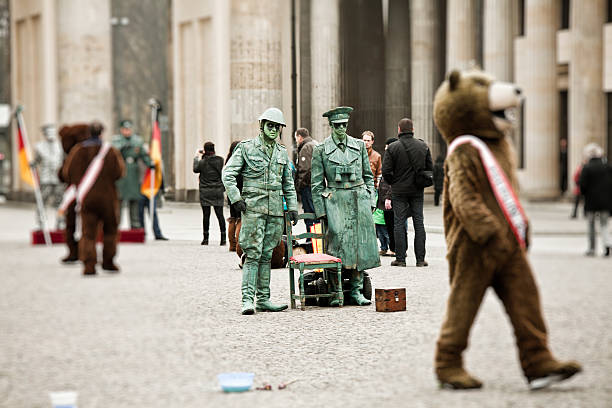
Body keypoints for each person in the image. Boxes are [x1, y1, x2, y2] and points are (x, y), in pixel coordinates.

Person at [222, 107, 298, 315]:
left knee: (267, 254)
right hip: (253, 208)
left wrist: (292, 207)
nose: (273, 130)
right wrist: (236, 198)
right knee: (252, 253)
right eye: (270, 125)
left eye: (277, 127)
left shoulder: (282, 152)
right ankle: (247, 299)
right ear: (261, 126)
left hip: (274, 210)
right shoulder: (247, 148)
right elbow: (228, 173)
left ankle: (263, 299)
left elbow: (288, 184)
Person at [311, 106, 379, 307]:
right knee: (335, 246)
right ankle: (335, 291)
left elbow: (368, 176)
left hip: (358, 200)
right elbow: (316, 184)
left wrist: (370, 199)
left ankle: (357, 290)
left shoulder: (358, 146)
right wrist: (321, 211)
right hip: (335, 202)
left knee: (359, 246)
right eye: (338, 125)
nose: (342, 128)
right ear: (331, 125)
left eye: (344, 125)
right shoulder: (321, 150)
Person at [63, 121, 125, 275]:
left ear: (88, 133)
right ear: (102, 133)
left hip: (86, 198)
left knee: (88, 232)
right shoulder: (110, 151)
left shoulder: (77, 151)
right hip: (108, 198)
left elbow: (67, 173)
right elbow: (119, 172)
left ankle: (89, 264)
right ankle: (108, 262)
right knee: (110, 230)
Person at [382, 118, 432, 267]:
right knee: (419, 223)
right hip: (417, 190)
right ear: (413, 129)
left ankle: (400, 259)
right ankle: (420, 260)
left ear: (399, 130)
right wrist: (422, 181)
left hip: (399, 190)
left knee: (398, 223)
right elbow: (430, 168)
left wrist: (394, 182)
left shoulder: (393, 148)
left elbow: (386, 171)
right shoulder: (423, 146)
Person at [112, 119, 154, 229]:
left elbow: (143, 155)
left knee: (134, 200)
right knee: (119, 200)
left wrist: (150, 163)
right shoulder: (116, 140)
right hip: (120, 172)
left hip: (133, 173)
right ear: (121, 130)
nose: (127, 131)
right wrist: (123, 146)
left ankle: (135, 225)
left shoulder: (137, 140)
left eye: (129, 129)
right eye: (125, 129)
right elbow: (113, 151)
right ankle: (116, 225)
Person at [579, 143, 612, 257]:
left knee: (591, 225)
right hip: (605, 201)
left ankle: (592, 248)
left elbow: (582, 185)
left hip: (591, 201)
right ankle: (607, 243)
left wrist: (584, 195)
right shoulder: (607, 166)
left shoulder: (587, 167)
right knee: (604, 224)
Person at [31, 124, 64, 229]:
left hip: (58, 179)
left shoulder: (61, 146)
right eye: (48, 132)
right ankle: (41, 222)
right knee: (42, 202)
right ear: (44, 134)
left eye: (52, 132)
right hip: (45, 179)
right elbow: (37, 160)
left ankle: (60, 222)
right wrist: (33, 164)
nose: (51, 135)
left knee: (60, 202)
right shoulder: (39, 146)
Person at [194, 141, 226, 246]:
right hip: (217, 191)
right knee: (220, 215)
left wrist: (197, 156)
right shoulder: (220, 160)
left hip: (205, 191)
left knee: (206, 215)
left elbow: (195, 169)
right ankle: (223, 239)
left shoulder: (202, 162)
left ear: (205, 150)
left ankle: (206, 239)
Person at [377, 137, 398, 257]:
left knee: (393, 225)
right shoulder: (391, 158)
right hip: (386, 196)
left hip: (390, 197)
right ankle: (392, 248)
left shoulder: (394, 160)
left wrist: (388, 197)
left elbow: (392, 180)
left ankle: (395, 248)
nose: (385, 148)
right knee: (389, 225)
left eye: (387, 146)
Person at [294, 127, 317, 232]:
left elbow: (305, 170)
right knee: (314, 213)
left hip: (308, 187)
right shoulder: (313, 144)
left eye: (296, 138)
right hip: (314, 185)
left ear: (299, 137)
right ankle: (316, 241)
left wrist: (299, 186)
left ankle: (311, 239)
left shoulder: (306, 148)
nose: (296, 141)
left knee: (309, 213)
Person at [225, 141, 242, 252]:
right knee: (240, 219)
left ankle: (231, 244)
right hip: (240, 192)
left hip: (230, 193)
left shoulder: (228, 160)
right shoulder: (239, 161)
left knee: (232, 218)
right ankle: (238, 245)